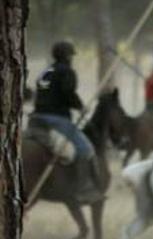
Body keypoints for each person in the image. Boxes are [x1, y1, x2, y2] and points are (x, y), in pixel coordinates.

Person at [31, 41, 103, 203]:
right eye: (71, 55)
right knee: (86, 149)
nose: (72, 58)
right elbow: (67, 92)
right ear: (67, 55)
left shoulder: (46, 71)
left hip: (36, 119)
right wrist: (80, 107)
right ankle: (84, 189)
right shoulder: (67, 71)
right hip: (56, 119)